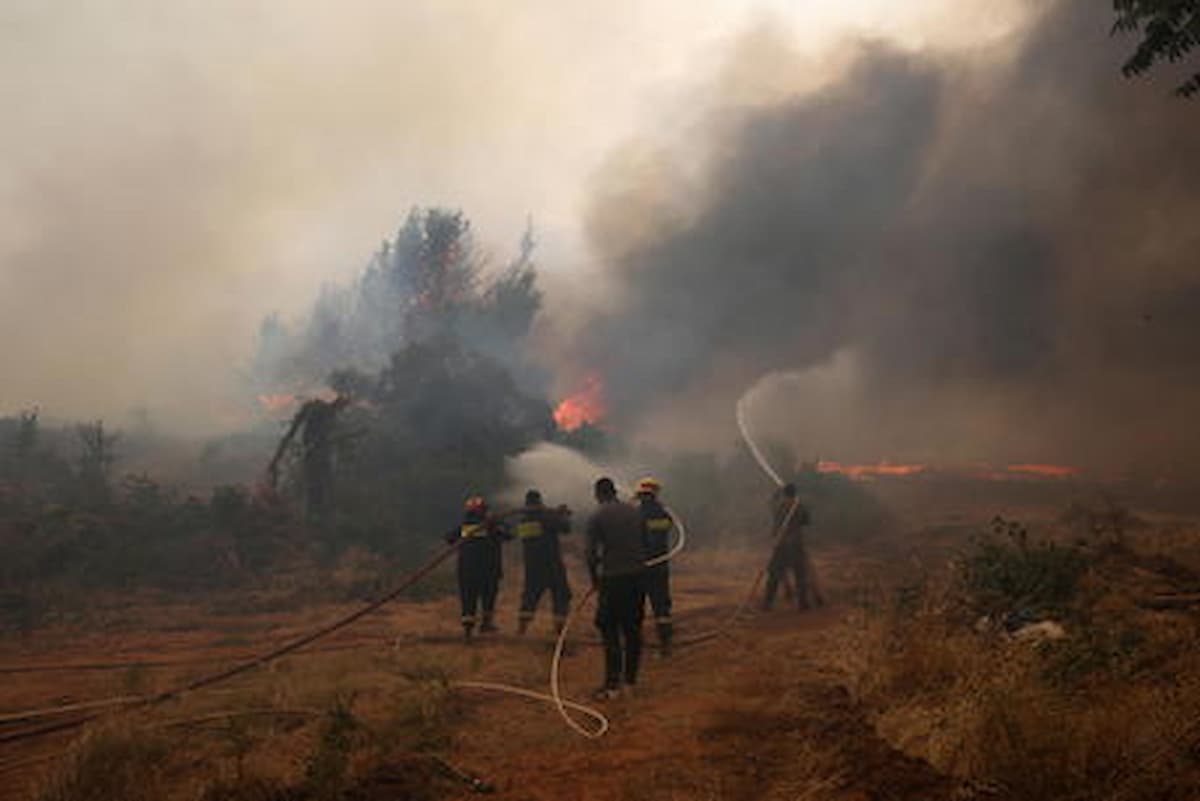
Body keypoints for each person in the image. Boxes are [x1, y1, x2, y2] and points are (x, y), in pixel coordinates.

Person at [585, 477, 647, 699]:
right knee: (632, 630)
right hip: (638, 578)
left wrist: (594, 580)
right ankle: (630, 682)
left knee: (608, 627)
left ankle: (612, 686)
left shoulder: (597, 516)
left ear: (598, 494)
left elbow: (590, 554)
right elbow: (645, 543)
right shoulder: (634, 512)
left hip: (613, 579)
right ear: (615, 491)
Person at [445, 495, 510, 641]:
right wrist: (498, 522)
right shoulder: (491, 526)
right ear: (483, 510)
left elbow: (449, 538)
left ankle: (468, 630)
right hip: (488, 570)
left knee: (468, 599)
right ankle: (486, 624)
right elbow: (508, 534)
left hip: (466, 571)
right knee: (488, 597)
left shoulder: (463, 527)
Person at [515, 489, 573, 635]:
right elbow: (565, 528)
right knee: (561, 594)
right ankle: (559, 628)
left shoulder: (523, 521)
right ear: (540, 502)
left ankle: (522, 628)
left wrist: (555, 515)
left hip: (533, 566)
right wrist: (563, 516)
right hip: (552, 564)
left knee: (530, 596)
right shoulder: (547, 517)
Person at [635, 476, 675, 656]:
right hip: (659, 567)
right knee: (661, 606)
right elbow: (664, 531)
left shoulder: (635, 514)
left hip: (639, 568)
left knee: (636, 605)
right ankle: (665, 644)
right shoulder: (664, 514)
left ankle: (636, 643)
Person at [762, 483, 816, 611]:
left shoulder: (779, 506)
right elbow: (807, 521)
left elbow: (770, 503)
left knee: (774, 574)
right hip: (796, 544)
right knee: (800, 574)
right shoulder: (800, 507)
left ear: (784, 494)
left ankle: (767, 603)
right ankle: (803, 603)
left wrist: (776, 493)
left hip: (780, 544)